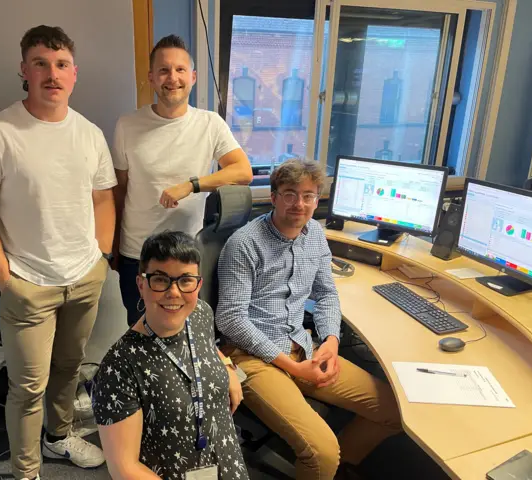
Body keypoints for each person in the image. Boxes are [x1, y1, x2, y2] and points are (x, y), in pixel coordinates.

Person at [0, 25, 116, 480]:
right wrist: (6, 280)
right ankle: (27, 472)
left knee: (68, 369)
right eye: (41, 63)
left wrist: (101, 259)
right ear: (24, 70)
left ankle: (59, 437)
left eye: (61, 64)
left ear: (74, 73)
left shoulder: (89, 133)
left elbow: (104, 198)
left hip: (85, 276)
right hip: (28, 284)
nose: (52, 73)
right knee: (27, 388)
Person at [215, 159, 402, 479]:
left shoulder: (314, 233)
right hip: (253, 356)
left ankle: (335, 468)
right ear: (273, 197)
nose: (299, 204)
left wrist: (330, 341)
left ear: (318, 199)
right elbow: (230, 318)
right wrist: (293, 367)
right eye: (289, 194)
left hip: (303, 345)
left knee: (393, 412)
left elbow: (327, 293)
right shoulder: (245, 243)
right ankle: (323, 462)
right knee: (320, 450)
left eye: (308, 196)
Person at [111, 34, 253, 326]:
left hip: (186, 255)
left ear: (193, 77)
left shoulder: (209, 123)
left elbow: (243, 171)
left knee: (184, 334)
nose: (172, 78)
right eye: (163, 70)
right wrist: (112, 248)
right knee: (142, 335)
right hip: (137, 253)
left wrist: (192, 184)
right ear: (151, 77)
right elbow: (119, 191)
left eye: (179, 70)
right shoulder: (127, 125)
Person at [93, 231, 249, 480]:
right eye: (160, 279)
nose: (174, 292)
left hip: (226, 462)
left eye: (185, 280)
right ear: (141, 285)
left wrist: (227, 366)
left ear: (198, 284)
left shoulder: (199, 313)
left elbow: (207, 345)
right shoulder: (119, 368)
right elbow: (125, 468)